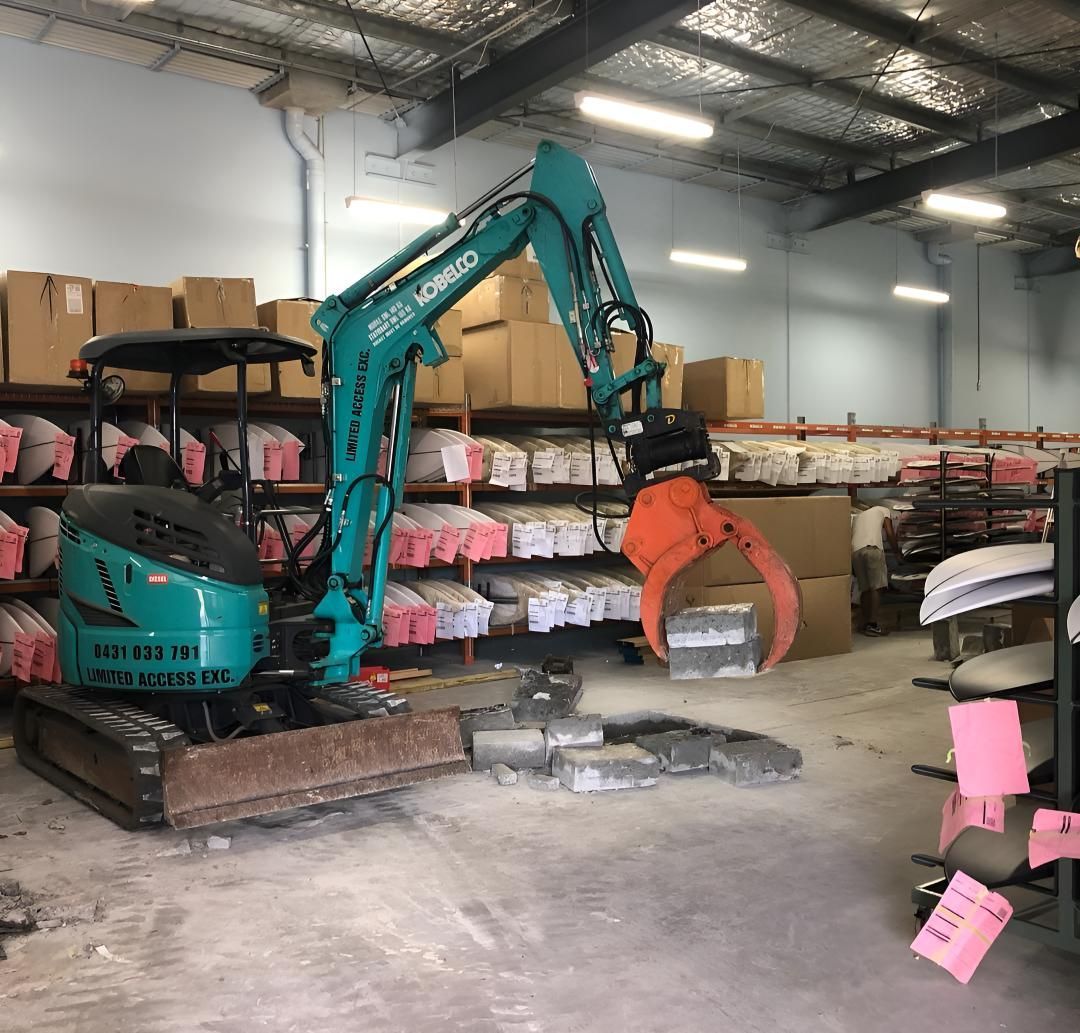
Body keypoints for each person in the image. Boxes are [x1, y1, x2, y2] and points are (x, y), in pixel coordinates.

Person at [851, 504, 897, 637]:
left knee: (865, 589)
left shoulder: (859, 516)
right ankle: (873, 624)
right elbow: (889, 532)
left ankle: (864, 624)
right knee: (877, 587)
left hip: (856, 551)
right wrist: (896, 552)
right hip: (873, 548)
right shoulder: (884, 510)